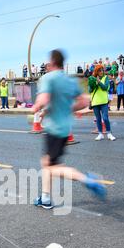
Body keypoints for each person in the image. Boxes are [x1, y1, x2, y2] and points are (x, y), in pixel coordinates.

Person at [32, 49, 106, 210]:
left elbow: (44, 99)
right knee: (47, 162)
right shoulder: (70, 81)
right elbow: (84, 102)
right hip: (65, 130)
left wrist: (36, 107)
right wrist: (64, 109)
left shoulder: (47, 78)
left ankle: (86, 179)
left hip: (54, 130)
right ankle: (45, 198)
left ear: (51, 62)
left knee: (51, 166)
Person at [88, 64, 116, 141]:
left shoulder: (105, 78)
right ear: (96, 71)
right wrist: (92, 84)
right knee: (98, 119)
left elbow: (105, 88)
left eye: (102, 70)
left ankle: (109, 133)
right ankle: (100, 134)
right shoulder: (92, 78)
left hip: (103, 101)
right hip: (95, 102)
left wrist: (99, 82)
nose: (101, 72)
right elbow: (89, 91)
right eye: (100, 70)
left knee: (105, 118)